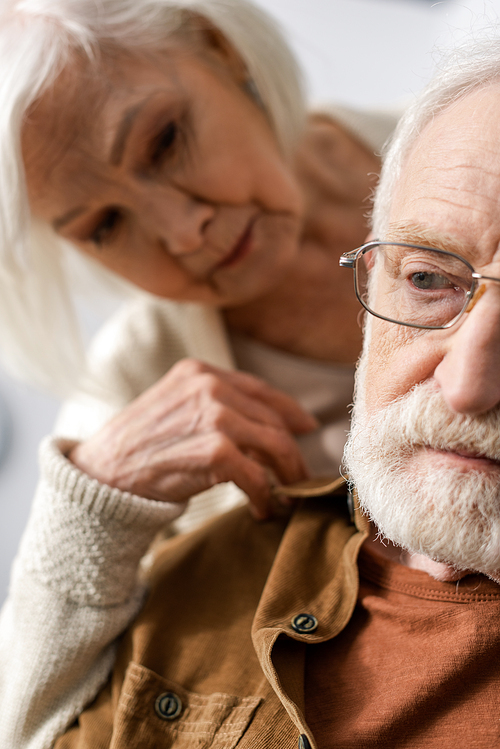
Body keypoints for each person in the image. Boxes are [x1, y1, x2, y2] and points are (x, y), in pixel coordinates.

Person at [33, 31, 500, 747]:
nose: (185, 229)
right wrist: (89, 507)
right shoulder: (131, 379)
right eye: (105, 224)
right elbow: (29, 719)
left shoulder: (463, 131)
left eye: (164, 142)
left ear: (220, 52)